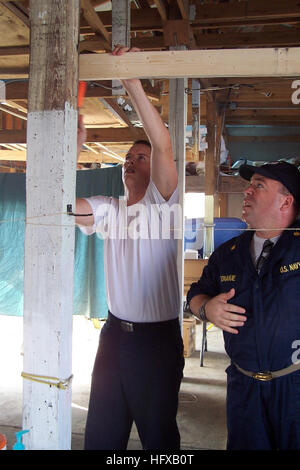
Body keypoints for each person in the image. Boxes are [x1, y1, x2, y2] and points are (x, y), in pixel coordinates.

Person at [76, 45, 184, 450]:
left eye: (141, 156)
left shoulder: (164, 203)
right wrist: (71, 151)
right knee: (102, 435)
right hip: (113, 337)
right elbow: (64, 212)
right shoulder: (108, 209)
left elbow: (164, 147)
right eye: (127, 157)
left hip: (156, 341)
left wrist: (131, 80)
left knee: (158, 439)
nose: (131, 161)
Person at [187, 161, 300, 450]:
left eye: (258, 185)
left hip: (294, 389)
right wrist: (206, 309)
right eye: (249, 185)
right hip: (244, 387)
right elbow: (197, 295)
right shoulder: (228, 254)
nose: (246, 191)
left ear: (286, 201)